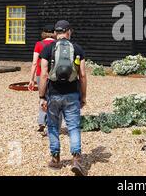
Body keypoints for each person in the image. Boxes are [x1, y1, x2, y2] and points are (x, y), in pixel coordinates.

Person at [39, 20, 87, 176]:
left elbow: (44, 75)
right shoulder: (77, 49)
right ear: (68, 31)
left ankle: (55, 159)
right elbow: (83, 75)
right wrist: (83, 96)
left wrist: (42, 97)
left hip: (53, 94)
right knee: (73, 126)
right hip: (72, 94)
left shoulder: (47, 49)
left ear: (55, 33)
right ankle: (77, 159)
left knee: (53, 127)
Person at [28, 24, 56, 133]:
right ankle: (51, 124)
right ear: (54, 33)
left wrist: (31, 79)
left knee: (42, 97)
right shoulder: (57, 44)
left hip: (41, 75)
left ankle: (41, 121)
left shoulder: (39, 44)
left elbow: (34, 63)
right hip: (54, 75)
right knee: (53, 99)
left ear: (43, 33)